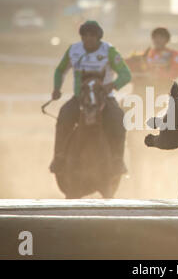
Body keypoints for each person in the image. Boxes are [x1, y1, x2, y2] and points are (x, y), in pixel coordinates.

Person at [49, 20, 132, 175]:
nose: (88, 38)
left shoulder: (109, 51)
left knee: (119, 118)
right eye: (85, 35)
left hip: (105, 99)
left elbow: (126, 74)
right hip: (80, 98)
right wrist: (56, 88)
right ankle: (59, 157)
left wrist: (112, 85)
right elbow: (60, 70)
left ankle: (117, 159)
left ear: (98, 37)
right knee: (64, 115)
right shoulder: (74, 50)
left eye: (92, 35)